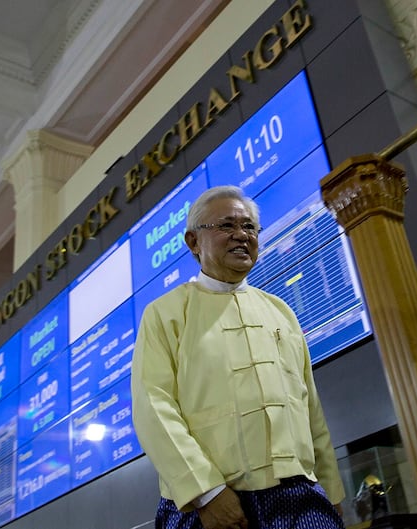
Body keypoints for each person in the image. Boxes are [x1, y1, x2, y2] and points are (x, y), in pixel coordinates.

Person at [131, 185, 345, 529]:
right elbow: (152, 407)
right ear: (193, 242)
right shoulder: (166, 314)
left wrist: (330, 494)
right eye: (227, 226)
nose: (241, 236)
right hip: (206, 504)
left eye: (249, 227)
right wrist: (207, 492)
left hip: (300, 498)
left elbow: (311, 411)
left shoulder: (281, 312)